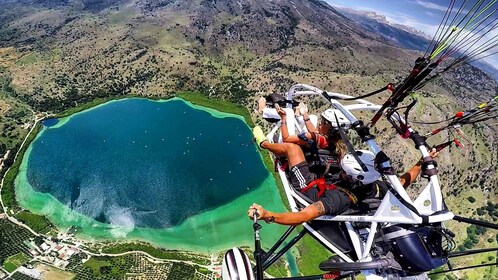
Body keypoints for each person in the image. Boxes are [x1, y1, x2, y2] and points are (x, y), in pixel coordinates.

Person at [247, 145, 439, 226]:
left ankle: (263, 143)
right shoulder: (378, 187)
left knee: (292, 149)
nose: (342, 172)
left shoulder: (338, 198)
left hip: (309, 188)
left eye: (345, 173)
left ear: (354, 179)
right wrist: (421, 163)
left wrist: (266, 215)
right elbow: (404, 181)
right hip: (326, 186)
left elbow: (303, 216)